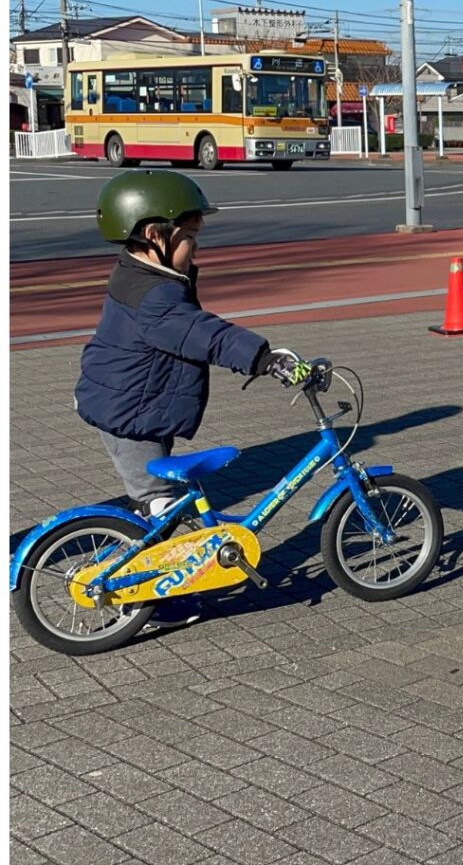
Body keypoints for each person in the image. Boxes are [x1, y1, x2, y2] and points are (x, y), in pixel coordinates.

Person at [75, 170, 308, 629]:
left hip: (130, 404)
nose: (197, 248)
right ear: (153, 235)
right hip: (128, 415)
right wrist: (264, 358)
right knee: (159, 504)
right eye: (190, 238)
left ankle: (160, 568)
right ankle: (150, 599)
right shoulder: (155, 296)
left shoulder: (142, 274)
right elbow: (203, 334)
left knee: (163, 500)